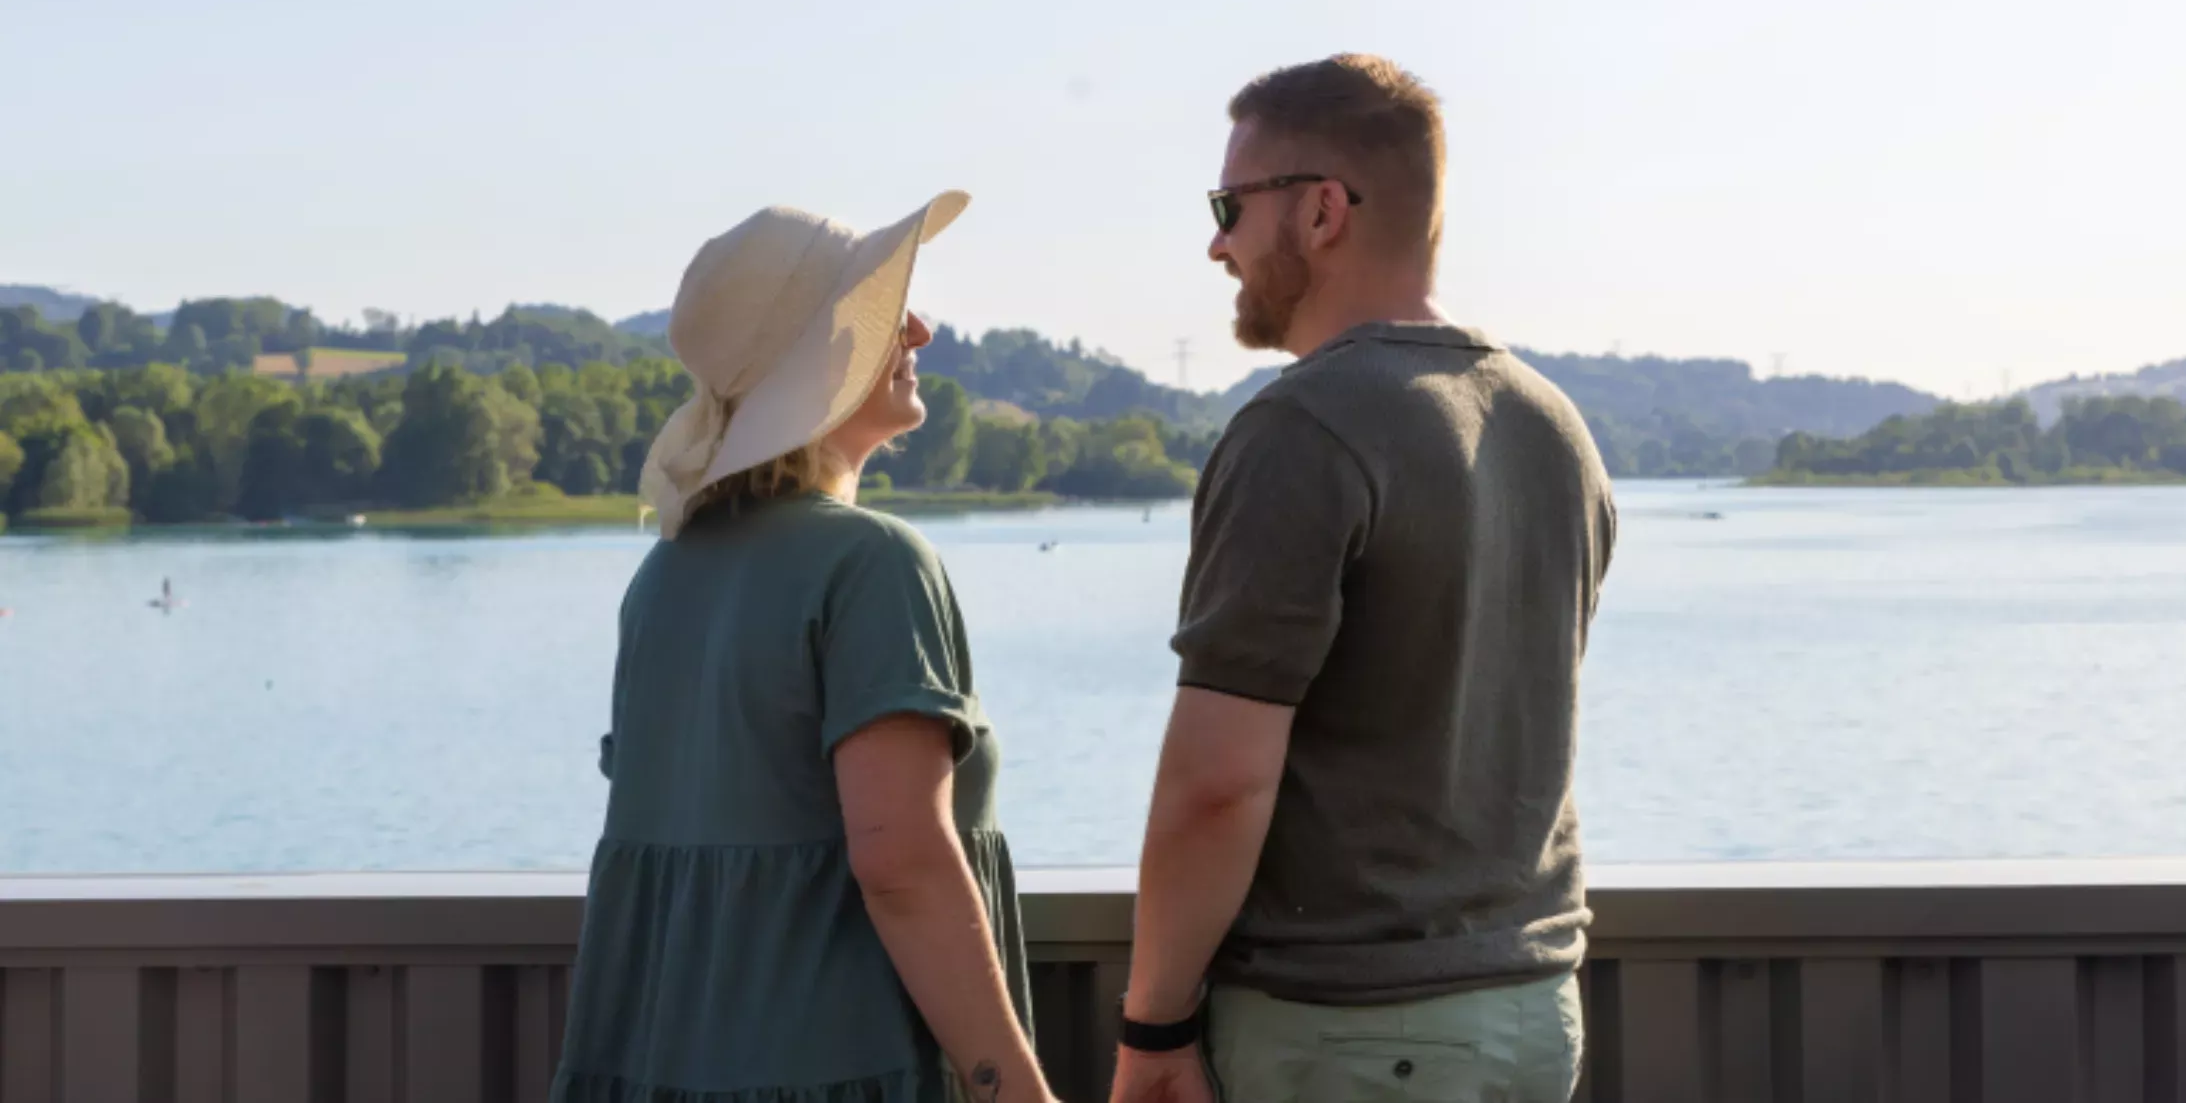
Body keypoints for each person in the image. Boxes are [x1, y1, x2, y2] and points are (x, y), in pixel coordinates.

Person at [1111, 56, 1616, 1103]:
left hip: (1353, 1033)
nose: (1216, 244)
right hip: (1532, 1011)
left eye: (1229, 206)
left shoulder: (1299, 429)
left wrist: (1152, 1025)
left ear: (1321, 211)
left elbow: (1218, 782)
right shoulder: (1555, 427)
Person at [552, 192, 1056, 1103]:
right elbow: (904, 864)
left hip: (662, 1071)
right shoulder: (874, 562)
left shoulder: (664, 575)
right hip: (844, 1072)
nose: (920, 328)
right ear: (819, 353)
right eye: (881, 310)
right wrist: (1018, 1093)